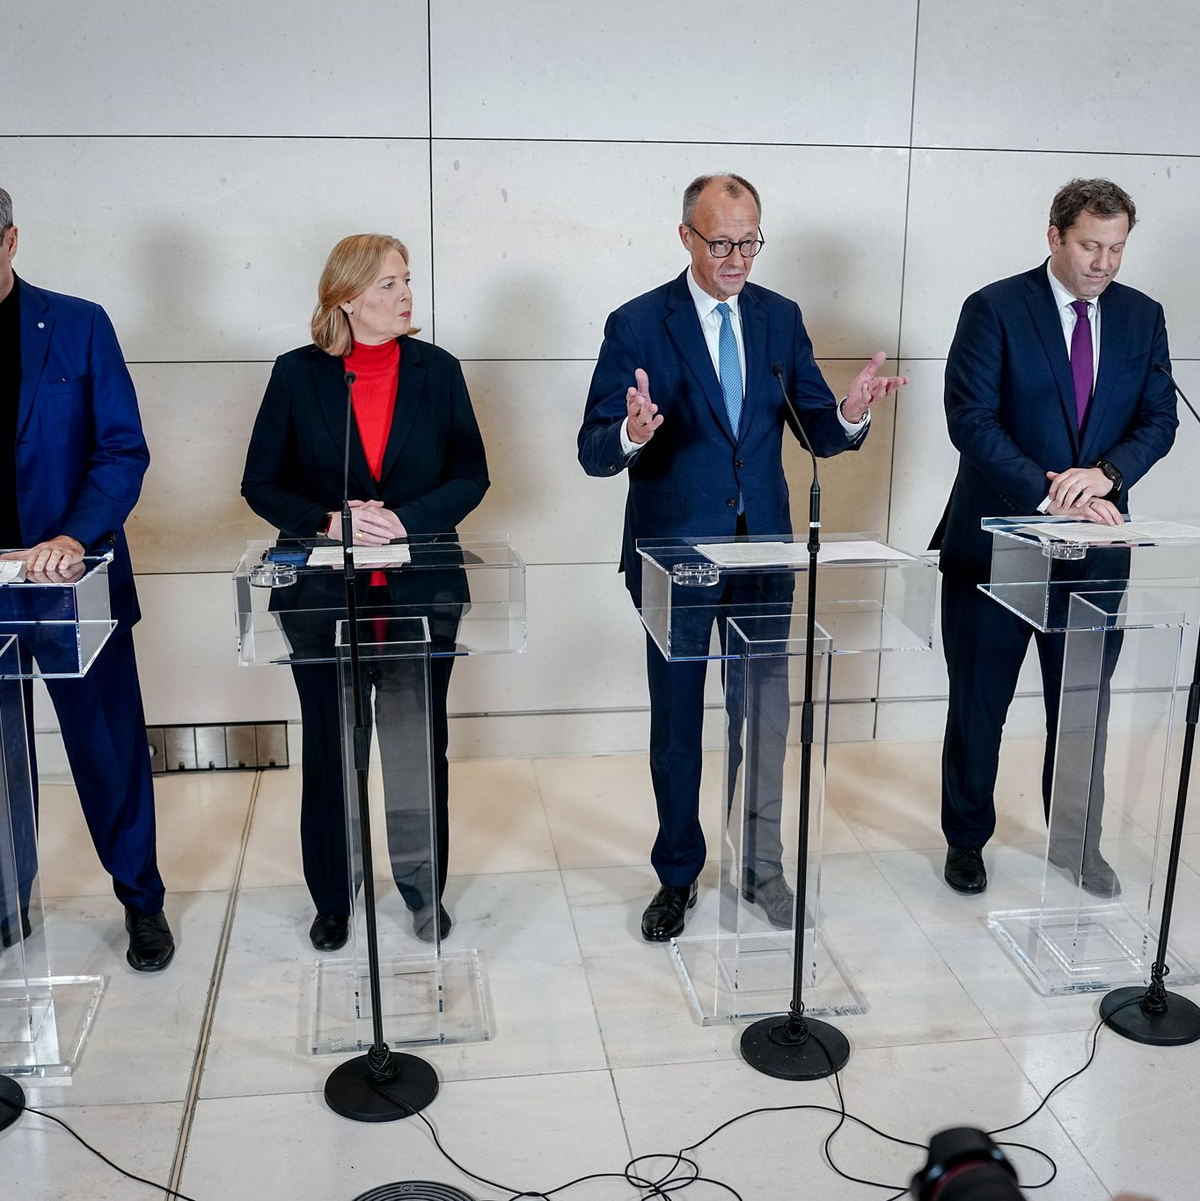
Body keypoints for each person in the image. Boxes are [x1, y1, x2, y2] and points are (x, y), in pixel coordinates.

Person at [578, 173, 906, 941]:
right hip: (674, 560)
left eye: (750, 241)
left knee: (762, 716)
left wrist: (851, 413)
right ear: (686, 237)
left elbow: (815, 425)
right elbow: (594, 451)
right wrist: (632, 432)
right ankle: (677, 875)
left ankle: (761, 865)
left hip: (762, 555)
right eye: (721, 241)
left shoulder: (779, 319)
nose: (737, 257)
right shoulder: (636, 324)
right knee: (678, 723)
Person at [242, 234, 489, 951]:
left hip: (421, 593)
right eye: (388, 284)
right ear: (347, 298)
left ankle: (422, 889)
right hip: (324, 599)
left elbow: (471, 476)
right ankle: (334, 897)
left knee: (417, 749)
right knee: (330, 749)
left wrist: (402, 522)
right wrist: (328, 520)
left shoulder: (438, 370)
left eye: (407, 280)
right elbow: (260, 482)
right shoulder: (298, 376)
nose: (406, 294)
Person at [932, 178, 1177, 896]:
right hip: (999, 541)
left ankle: (1075, 843)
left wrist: (1105, 474)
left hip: (1097, 551)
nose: (1103, 262)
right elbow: (969, 418)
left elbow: (1158, 418)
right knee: (981, 701)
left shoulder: (1142, 317)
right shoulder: (994, 309)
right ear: (1054, 237)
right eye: (1090, 246)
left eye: (1116, 248)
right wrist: (1049, 493)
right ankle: (967, 840)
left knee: (1083, 704)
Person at [0, 185, 174, 971]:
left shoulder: (77, 324)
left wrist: (73, 534)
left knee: (108, 753)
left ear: (9, 242)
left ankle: (141, 903)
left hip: (73, 581)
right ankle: (8, 903)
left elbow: (121, 449)